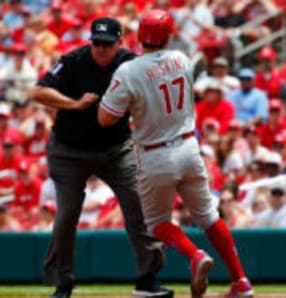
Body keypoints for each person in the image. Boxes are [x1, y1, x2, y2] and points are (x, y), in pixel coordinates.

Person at [97, 9, 253, 298]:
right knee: (209, 217)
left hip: (155, 153)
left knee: (157, 224)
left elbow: (105, 118)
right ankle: (240, 281)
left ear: (141, 34)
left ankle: (194, 255)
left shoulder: (129, 70)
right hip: (189, 147)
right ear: (167, 35)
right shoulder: (182, 60)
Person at [28, 16, 170, 298]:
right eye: (97, 43)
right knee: (66, 215)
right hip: (69, 151)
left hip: (115, 149)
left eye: (107, 43)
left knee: (139, 205)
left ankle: (148, 278)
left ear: (121, 42)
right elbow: (37, 91)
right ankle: (62, 283)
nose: (101, 48)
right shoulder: (74, 60)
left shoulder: (131, 64)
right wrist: (73, 104)